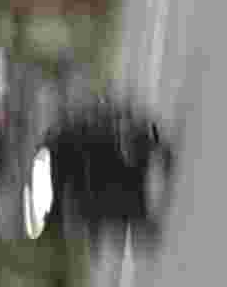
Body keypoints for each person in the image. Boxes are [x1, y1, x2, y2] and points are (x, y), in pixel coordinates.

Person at [31, 96, 176, 236]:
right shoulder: (56, 146)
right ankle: (141, 211)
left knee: (122, 158)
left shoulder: (58, 142)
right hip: (94, 162)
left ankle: (141, 209)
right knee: (107, 194)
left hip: (96, 155)